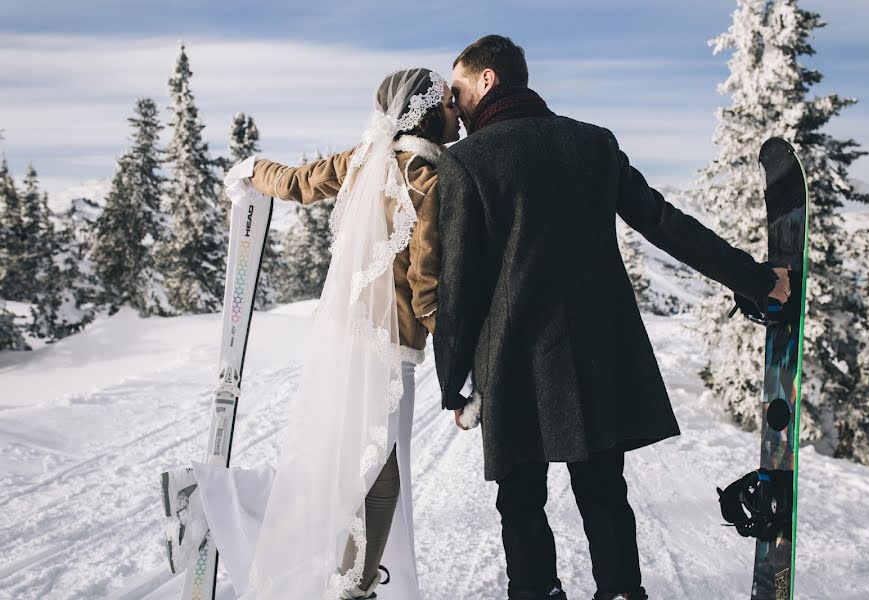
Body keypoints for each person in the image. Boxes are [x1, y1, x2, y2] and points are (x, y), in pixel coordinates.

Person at [432, 35, 791, 600]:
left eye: (457, 87)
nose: (454, 103)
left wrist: (454, 384)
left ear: (487, 81)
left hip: (515, 360)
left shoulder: (467, 163)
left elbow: (460, 285)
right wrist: (758, 279)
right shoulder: (593, 143)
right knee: (604, 492)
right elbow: (665, 224)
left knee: (521, 500)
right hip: (597, 352)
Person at [162, 67, 461, 600]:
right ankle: (217, 495)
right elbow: (425, 288)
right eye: (449, 103)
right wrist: (465, 365)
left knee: (349, 468)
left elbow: (299, 183)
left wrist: (254, 169)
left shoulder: (364, 160)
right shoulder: (429, 180)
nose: (457, 111)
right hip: (387, 353)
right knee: (374, 474)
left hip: (342, 341)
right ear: (428, 111)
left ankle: (352, 583)